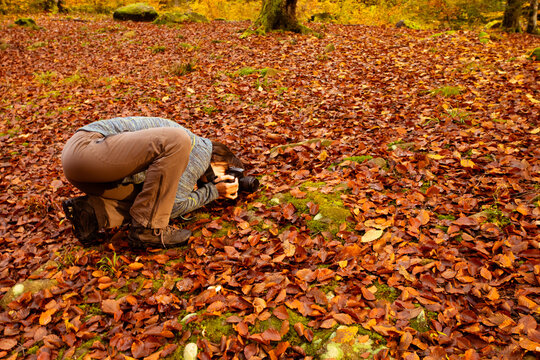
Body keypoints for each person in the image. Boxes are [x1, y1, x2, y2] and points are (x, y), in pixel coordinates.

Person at [61, 116, 244, 249]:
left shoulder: (185, 157)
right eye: (226, 173)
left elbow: (160, 201)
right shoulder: (201, 150)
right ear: (218, 161)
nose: (225, 179)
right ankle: (148, 230)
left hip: (87, 168)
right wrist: (213, 192)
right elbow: (173, 207)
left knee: (151, 198)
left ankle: (93, 213)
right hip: (87, 148)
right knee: (178, 140)